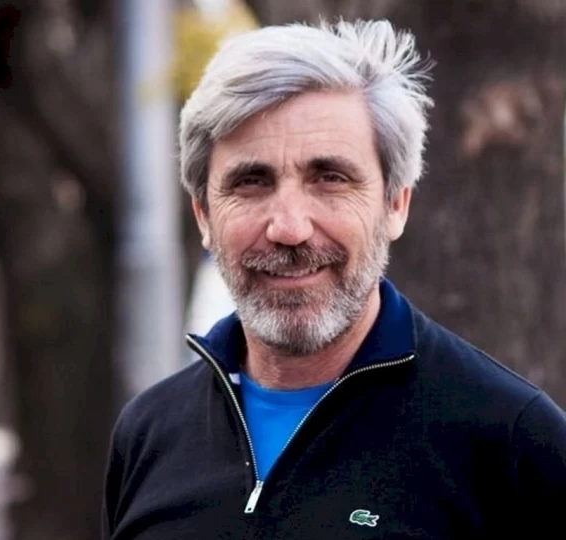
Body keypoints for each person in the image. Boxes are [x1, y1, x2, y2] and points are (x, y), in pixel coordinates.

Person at [103, 19, 566, 539]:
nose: (289, 228)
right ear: (204, 216)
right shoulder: (149, 434)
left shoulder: (514, 444)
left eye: (330, 178)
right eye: (251, 182)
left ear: (395, 204)